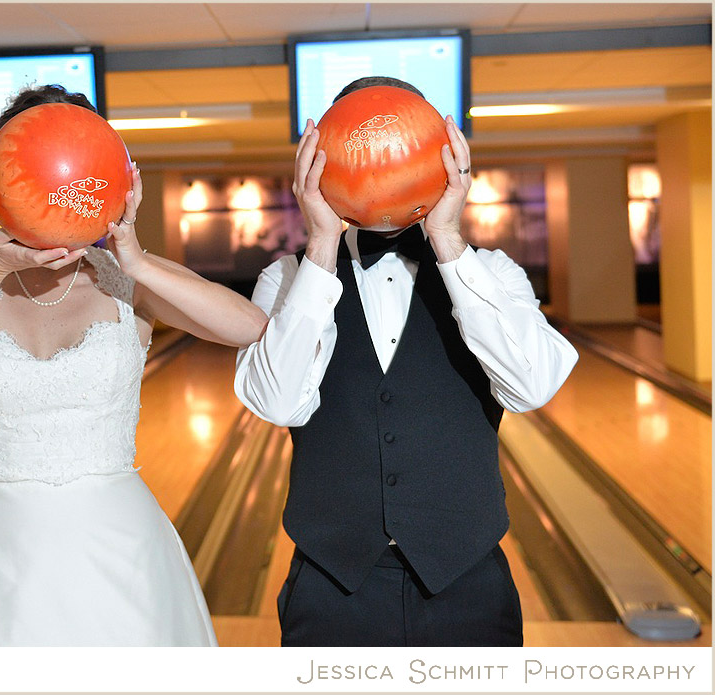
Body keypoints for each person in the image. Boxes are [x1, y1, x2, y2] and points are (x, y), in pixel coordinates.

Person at [0, 85, 268, 647]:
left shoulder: (128, 282)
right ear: (3, 182)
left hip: (121, 551)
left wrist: (134, 255)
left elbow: (250, 327)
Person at [234, 76, 578, 647]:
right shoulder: (288, 278)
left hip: (466, 583)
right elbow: (278, 403)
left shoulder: (491, 273)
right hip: (328, 584)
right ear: (315, 167)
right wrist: (320, 244)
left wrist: (446, 237)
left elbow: (532, 386)